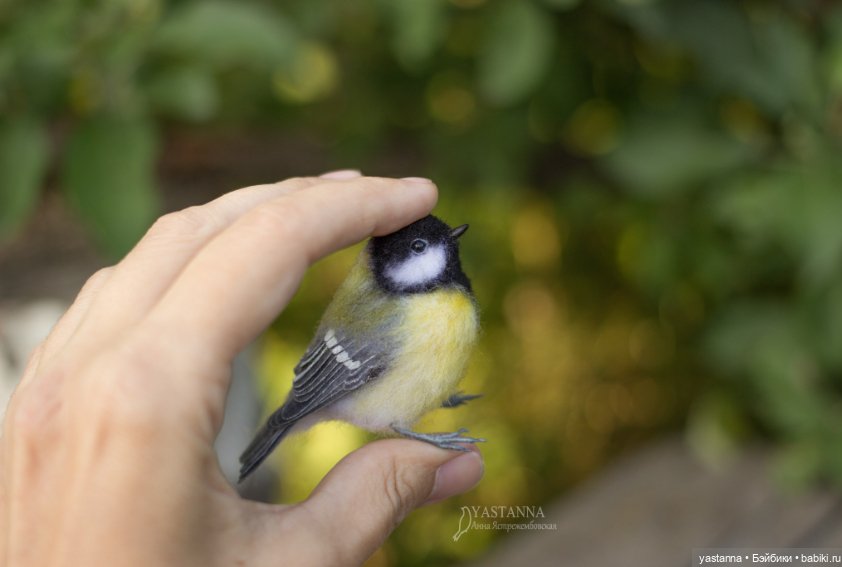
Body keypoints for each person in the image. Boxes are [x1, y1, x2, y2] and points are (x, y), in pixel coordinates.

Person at [0, 172, 484, 566]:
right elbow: (352, 378)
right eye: (422, 249)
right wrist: (426, 438)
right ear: (396, 268)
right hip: (342, 389)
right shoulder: (404, 315)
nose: (442, 246)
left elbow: (415, 374)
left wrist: (437, 393)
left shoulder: (445, 305)